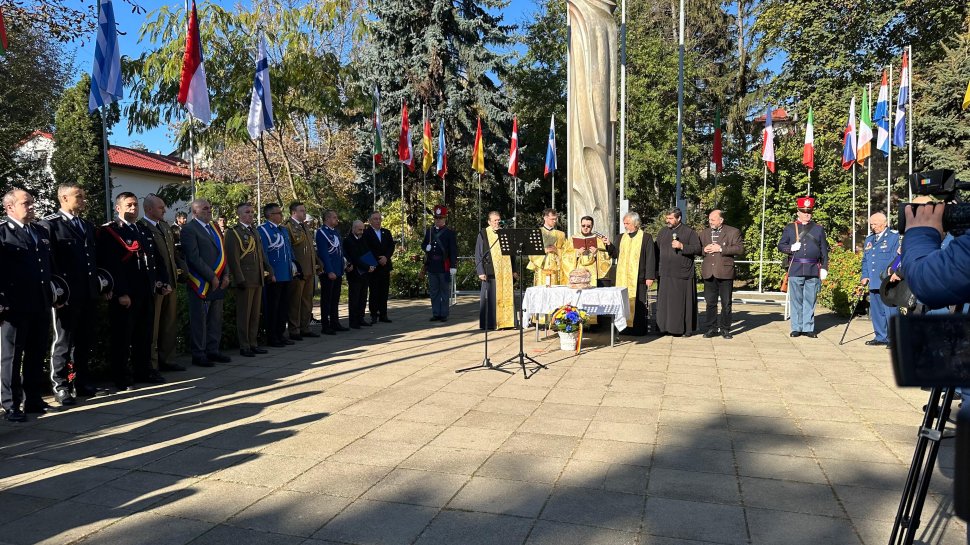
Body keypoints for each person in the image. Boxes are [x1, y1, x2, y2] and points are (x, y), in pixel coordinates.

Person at [97, 192, 169, 389]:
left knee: (144, 335)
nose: (133, 208)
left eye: (136, 205)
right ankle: (121, 376)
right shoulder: (110, 232)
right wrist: (120, 292)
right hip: (126, 294)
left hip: (146, 290)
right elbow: (111, 265)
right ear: (118, 208)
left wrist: (162, 281)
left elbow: (156, 258)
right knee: (123, 336)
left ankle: (143, 370)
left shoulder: (143, 230)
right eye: (129, 205)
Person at [39, 183, 101, 405]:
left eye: (83, 195)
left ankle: (82, 382)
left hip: (87, 292)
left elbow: (91, 259)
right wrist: (57, 294)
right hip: (67, 295)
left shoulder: (86, 225)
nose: (83, 200)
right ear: (63, 198)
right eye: (79, 196)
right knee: (63, 340)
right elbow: (49, 263)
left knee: (84, 340)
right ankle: (60, 384)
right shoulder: (50, 225)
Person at [0, 189, 57, 420]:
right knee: (11, 356)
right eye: (26, 203)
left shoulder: (39, 231)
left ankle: (33, 399)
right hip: (15, 305)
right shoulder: (3, 233)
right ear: (10, 207)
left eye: (32, 202)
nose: (32, 206)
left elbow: (47, 267)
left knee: (36, 352)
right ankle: (10, 403)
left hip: (40, 302)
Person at [180, 199, 232, 367]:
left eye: (210, 208)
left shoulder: (215, 228)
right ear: (194, 212)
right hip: (201, 282)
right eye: (204, 209)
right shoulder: (189, 229)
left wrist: (226, 275)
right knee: (200, 320)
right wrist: (212, 276)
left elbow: (224, 254)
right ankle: (199, 353)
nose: (209, 211)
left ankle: (213, 350)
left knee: (215, 319)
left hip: (218, 281)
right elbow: (194, 258)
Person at [139, 194, 186, 373]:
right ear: (149, 209)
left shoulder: (165, 227)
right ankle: (151, 363)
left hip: (171, 281)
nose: (164, 210)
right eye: (161, 208)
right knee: (153, 325)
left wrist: (183, 271)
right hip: (155, 285)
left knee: (169, 323)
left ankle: (167, 359)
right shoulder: (142, 228)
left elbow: (173, 253)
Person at [778, 196, 829, 338]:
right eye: (804, 211)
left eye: (809, 211)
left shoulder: (818, 229)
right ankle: (796, 327)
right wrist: (791, 248)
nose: (807, 214)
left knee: (810, 299)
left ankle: (808, 327)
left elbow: (824, 249)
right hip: (796, 267)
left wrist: (824, 267)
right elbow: (781, 246)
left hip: (813, 267)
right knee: (796, 300)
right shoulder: (789, 228)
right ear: (798, 212)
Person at [227, 202, 272, 357]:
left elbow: (261, 253)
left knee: (254, 314)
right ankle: (244, 345)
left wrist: (268, 270)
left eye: (252, 212)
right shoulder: (233, 232)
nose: (251, 215)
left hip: (257, 277)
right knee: (244, 314)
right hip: (245, 279)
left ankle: (253, 343)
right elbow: (233, 259)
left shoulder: (254, 231)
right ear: (239, 215)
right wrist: (239, 278)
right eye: (247, 212)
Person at [607, 212, 656, 336]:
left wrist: (650, 276)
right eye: (624, 223)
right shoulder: (620, 237)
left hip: (638, 277)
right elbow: (614, 254)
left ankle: (638, 330)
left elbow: (650, 257)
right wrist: (608, 245)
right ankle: (624, 329)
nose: (625, 226)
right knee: (623, 303)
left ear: (635, 223)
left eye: (627, 223)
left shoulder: (646, 237)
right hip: (622, 278)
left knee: (639, 304)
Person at [655, 208, 702, 336]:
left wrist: (682, 246)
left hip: (682, 274)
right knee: (665, 304)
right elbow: (656, 250)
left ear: (679, 218)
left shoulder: (689, 232)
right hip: (665, 273)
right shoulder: (663, 232)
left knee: (679, 304)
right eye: (667, 218)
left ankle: (681, 329)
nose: (667, 220)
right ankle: (663, 328)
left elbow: (698, 249)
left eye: (670, 218)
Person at [699, 210, 744, 339]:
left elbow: (740, 249)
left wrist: (721, 249)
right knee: (710, 303)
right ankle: (711, 328)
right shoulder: (704, 233)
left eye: (713, 219)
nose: (710, 222)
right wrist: (703, 250)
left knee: (726, 302)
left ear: (721, 220)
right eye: (709, 219)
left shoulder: (733, 232)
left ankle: (725, 329)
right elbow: (698, 248)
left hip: (725, 272)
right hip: (709, 272)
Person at [861, 212, 900, 346]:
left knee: (890, 310)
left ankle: (893, 338)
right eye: (871, 224)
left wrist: (894, 272)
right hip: (873, 280)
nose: (873, 227)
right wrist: (865, 275)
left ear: (885, 223)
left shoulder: (894, 238)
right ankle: (880, 336)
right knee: (876, 311)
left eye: (875, 224)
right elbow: (865, 260)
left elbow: (899, 258)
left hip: (888, 280)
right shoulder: (869, 240)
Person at [258, 203, 295, 347]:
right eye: (278, 213)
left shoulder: (283, 230)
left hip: (286, 273)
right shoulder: (263, 230)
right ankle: (272, 337)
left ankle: (281, 334)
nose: (281, 215)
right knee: (273, 308)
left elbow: (288, 249)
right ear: (270, 215)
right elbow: (264, 253)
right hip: (275, 275)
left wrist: (294, 266)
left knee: (283, 307)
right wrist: (270, 272)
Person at [285, 202, 320, 340]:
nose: (304, 213)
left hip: (309, 268)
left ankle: (305, 327)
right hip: (299, 271)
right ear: (294, 212)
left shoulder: (304, 226)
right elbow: (290, 249)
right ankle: (294, 330)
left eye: (304, 210)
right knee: (296, 301)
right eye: (301, 210)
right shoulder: (288, 227)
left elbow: (310, 248)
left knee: (307, 301)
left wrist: (317, 262)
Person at [475, 211, 515, 329]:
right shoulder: (483, 234)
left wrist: (514, 270)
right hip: (490, 271)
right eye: (494, 220)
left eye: (498, 220)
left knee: (505, 298)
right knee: (490, 299)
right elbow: (479, 253)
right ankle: (490, 323)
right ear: (489, 221)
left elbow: (511, 252)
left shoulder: (505, 233)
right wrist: (480, 271)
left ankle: (506, 323)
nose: (497, 222)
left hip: (505, 272)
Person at [420, 205, 459, 323]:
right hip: (432, 265)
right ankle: (436, 313)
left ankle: (444, 314)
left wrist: (453, 266)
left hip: (444, 265)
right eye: (436, 218)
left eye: (440, 218)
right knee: (434, 291)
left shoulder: (449, 233)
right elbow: (423, 244)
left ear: (444, 219)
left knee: (444, 291)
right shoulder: (430, 231)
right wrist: (425, 247)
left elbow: (453, 250)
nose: (438, 220)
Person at [315, 210, 346, 334]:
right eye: (334, 217)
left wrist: (344, 265)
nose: (336, 219)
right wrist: (329, 271)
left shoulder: (335, 232)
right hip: (329, 271)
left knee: (335, 298)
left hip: (337, 269)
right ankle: (325, 325)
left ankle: (335, 322)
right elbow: (324, 254)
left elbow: (339, 251)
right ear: (327, 219)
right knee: (327, 299)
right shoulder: (322, 232)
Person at [561, 215, 612, 286]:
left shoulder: (598, 240)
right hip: (578, 271)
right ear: (580, 225)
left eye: (588, 226)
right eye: (583, 225)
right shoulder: (572, 239)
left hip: (593, 271)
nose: (585, 228)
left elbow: (606, 257)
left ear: (592, 226)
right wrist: (576, 253)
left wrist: (596, 253)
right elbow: (565, 256)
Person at [364, 211, 396, 323]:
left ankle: (384, 314)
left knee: (384, 291)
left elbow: (391, 246)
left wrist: (386, 257)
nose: (378, 221)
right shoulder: (366, 233)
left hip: (385, 266)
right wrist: (378, 260)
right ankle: (373, 314)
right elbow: (366, 249)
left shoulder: (386, 232)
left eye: (379, 219)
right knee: (374, 291)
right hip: (374, 266)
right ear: (370, 221)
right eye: (375, 219)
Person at [344, 220, 376, 329]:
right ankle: (353, 321)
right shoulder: (349, 241)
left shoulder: (363, 239)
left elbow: (367, 252)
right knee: (355, 298)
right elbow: (354, 258)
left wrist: (372, 265)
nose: (362, 232)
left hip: (365, 274)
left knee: (363, 297)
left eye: (363, 229)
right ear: (353, 229)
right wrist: (368, 267)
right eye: (359, 229)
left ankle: (361, 318)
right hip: (355, 274)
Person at [527, 208, 567, 286]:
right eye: (552, 219)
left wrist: (557, 250)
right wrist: (543, 250)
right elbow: (530, 253)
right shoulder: (537, 233)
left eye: (556, 219)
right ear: (545, 218)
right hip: (541, 268)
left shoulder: (561, 234)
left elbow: (567, 253)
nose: (555, 221)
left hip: (555, 268)